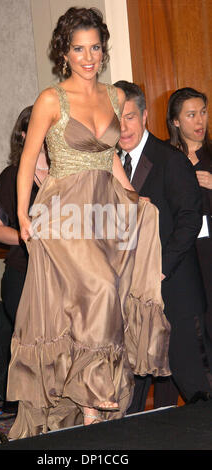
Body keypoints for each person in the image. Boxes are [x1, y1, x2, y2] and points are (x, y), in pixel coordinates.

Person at [6, 7, 171, 438]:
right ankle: (92, 393)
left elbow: (109, 157)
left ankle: (89, 403)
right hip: (63, 210)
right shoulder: (50, 99)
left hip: (104, 207)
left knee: (109, 294)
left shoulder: (115, 97)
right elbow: (27, 163)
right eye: (79, 48)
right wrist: (24, 216)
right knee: (99, 286)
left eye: (95, 47)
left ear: (103, 50)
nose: (88, 56)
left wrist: (134, 199)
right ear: (65, 52)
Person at [114, 80, 212, 411]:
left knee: (197, 388)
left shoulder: (170, 159)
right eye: (116, 118)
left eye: (129, 116)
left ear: (143, 116)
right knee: (129, 393)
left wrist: (159, 269)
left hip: (174, 291)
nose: (123, 126)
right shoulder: (106, 165)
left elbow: (189, 220)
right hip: (129, 295)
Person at [0, 106, 49, 405]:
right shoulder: (12, 175)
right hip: (23, 274)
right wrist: (29, 239)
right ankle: (31, 414)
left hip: (63, 274)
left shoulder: (67, 173)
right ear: (23, 134)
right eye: (35, 126)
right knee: (32, 348)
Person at [166, 87, 212, 342]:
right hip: (181, 254)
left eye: (203, 113)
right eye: (191, 115)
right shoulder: (166, 158)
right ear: (175, 121)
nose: (200, 121)